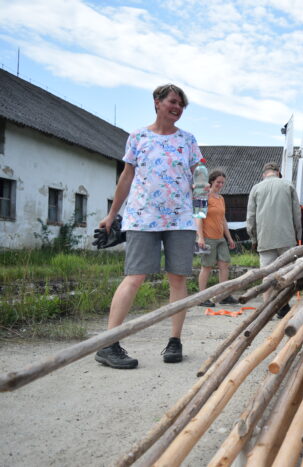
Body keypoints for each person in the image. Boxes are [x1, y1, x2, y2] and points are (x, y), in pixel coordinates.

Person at [94, 84, 202, 369]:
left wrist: (200, 217)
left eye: (181, 104)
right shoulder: (138, 137)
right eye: (173, 101)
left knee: (178, 278)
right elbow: (126, 177)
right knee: (134, 276)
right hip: (142, 217)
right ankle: (108, 344)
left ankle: (175, 341)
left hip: (180, 219)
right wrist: (112, 214)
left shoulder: (188, 140)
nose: (177, 107)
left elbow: (200, 181)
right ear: (157, 102)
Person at [246, 162, 302, 313]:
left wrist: (253, 239)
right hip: (286, 238)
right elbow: (296, 213)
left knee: (267, 274)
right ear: (278, 172)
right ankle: (283, 306)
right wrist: (298, 235)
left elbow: (250, 218)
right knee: (286, 272)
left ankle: (268, 309)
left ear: (264, 174)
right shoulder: (288, 185)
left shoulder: (256, 188)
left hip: (265, 238)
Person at [195, 170, 237, 307]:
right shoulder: (203, 196)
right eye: (218, 182)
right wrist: (200, 238)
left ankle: (223, 296)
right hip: (207, 238)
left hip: (220, 238)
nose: (220, 185)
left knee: (224, 265)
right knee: (206, 266)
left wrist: (229, 238)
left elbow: (223, 219)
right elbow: (198, 218)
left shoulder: (221, 198)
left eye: (222, 183)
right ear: (212, 181)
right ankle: (201, 298)